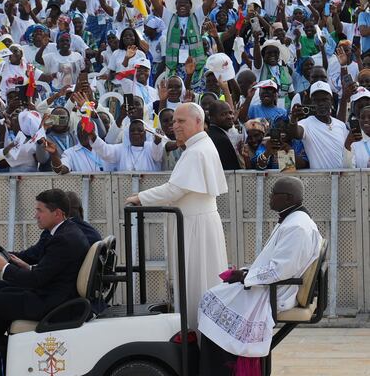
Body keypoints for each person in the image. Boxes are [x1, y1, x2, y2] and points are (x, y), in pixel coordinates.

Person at [0, 189, 90, 374]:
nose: (35, 215)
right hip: (54, 294)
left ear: (57, 213)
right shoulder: (61, 232)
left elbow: (36, 280)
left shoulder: (64, 239)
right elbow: (36, 262)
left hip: (53, 303)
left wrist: (4, 267)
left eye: (40, 210)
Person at [198, 177, 323, 376]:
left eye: (274, 193)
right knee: (214, 297)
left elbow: (280, 271)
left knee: (211, 299)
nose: (270, 197)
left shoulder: (297, 227)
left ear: (288, 198)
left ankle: (221, 368)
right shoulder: (292, 219)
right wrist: (246, 273)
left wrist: (244, 276)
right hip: (270, 286)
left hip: (276, 293)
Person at [125, 103, 228, 328]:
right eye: (174, 122)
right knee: (197, 281)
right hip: (197, 221)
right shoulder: (196, 147)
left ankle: (193, 334)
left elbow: (175, 189)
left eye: (182, 121)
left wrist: (140, 197)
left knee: (194, 283)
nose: (176, 126)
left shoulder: (197, 150)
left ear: (199, 122)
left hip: (195, 226)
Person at [207, 101, 242, 170]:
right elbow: (232, 169)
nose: (230, 117)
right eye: (223, 114)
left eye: (230, 113)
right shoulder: (221, 139)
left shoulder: (213, 133)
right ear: (212, 117)